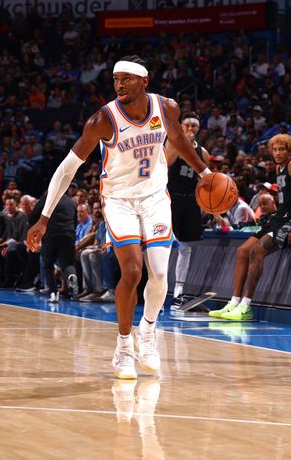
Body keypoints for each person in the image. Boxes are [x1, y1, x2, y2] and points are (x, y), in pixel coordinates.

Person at [27, 56, 211, 380]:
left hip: (155, 198)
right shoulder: (103, 120)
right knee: (132, 271)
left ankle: (148, 332)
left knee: (159, 275)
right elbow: (67, 168)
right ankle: (124, 346)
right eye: (116, 80)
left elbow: (179, 139)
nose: (120, 85)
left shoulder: (166, 108)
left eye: (126, 79)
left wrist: (206, 172)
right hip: (119, 200)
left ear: (144, 81)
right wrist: (43, 217)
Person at [210, 134, 291, 320]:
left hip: (290, 220)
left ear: (290, 151)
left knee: (257, 251)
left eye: (282, 149)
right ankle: (233, 302)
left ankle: (246, 306)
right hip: (277, 217)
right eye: (275, 149)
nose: (278, 153)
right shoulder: (279, 167)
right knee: (242, 251)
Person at [165, 112, 209, 310]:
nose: (191, 129)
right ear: (181, 127)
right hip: (171, 200)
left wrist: (212, 210)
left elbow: (204, 182)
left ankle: (178, 295)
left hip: (191, 202)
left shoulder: (204, 152)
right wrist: (182, 143)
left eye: (194, 126)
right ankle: (157, 291)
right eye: (187, 126)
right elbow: (167, 163)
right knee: (164, 248)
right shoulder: (172, 143)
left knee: (186, 249)